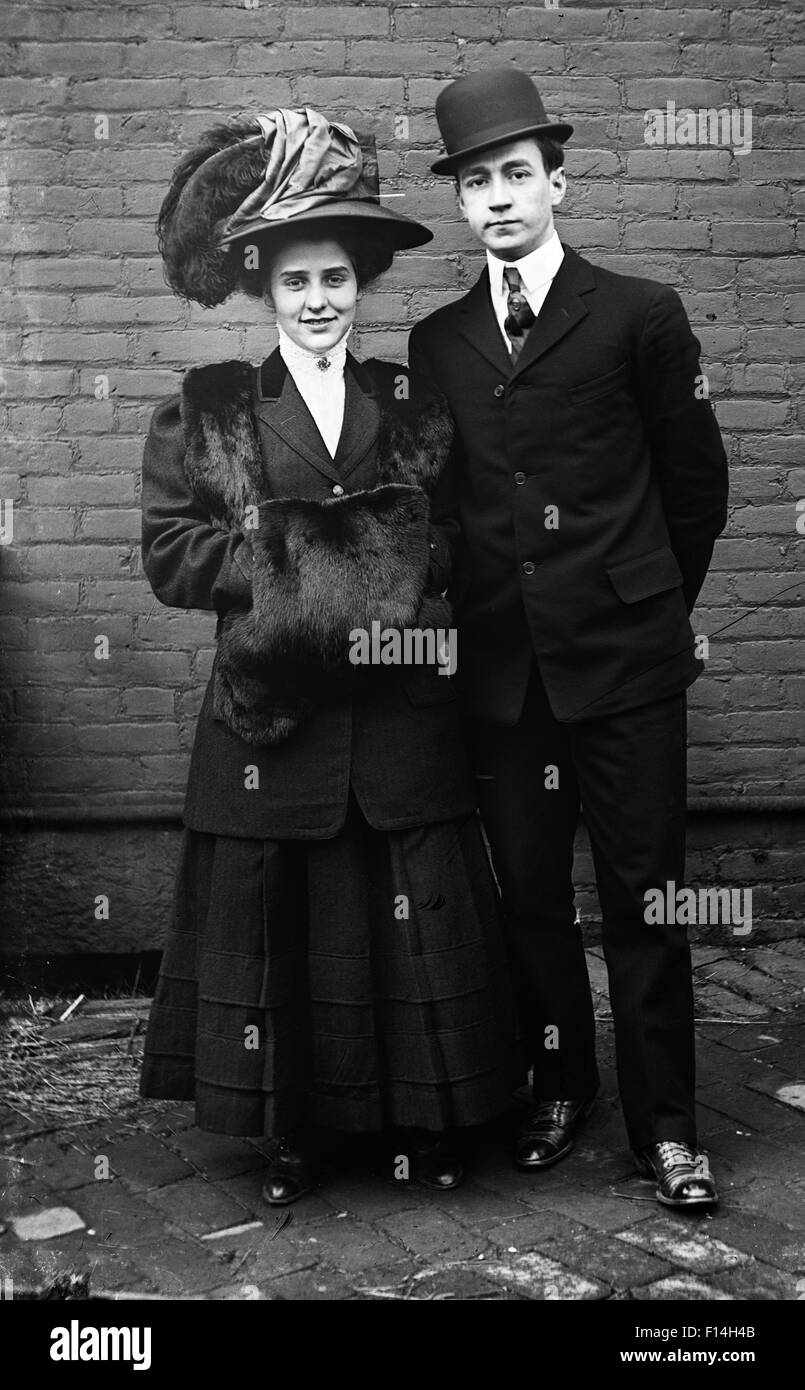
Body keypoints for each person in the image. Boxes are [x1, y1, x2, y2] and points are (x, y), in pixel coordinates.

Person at [139, 108, 520, 1205]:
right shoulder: (208, 411)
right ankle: (289, 1133)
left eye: (338, 282)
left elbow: (453, 541)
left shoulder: (411, 403)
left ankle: (429, 1119)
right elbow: (172, 556)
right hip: (272, 721)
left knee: (407, 917)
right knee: (290, 927)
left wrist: (397, 571)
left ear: (362, 287)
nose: (319, 303)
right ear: (265, 287)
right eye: (297, 282)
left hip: (399, 714)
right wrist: (319, 560)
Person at [409, 69, 729, 1208]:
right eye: (475, 182)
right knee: (531, 899)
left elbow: (696, 490)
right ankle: (559, 1085)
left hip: (627, 668)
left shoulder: (638, 314)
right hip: (502, 681)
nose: (496, 198)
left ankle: (670, 1128)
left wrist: (644, 609)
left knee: (650, 898)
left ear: (558, 179)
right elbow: (444, 513)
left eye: (514, 174)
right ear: (459, 202)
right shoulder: (438, 342)